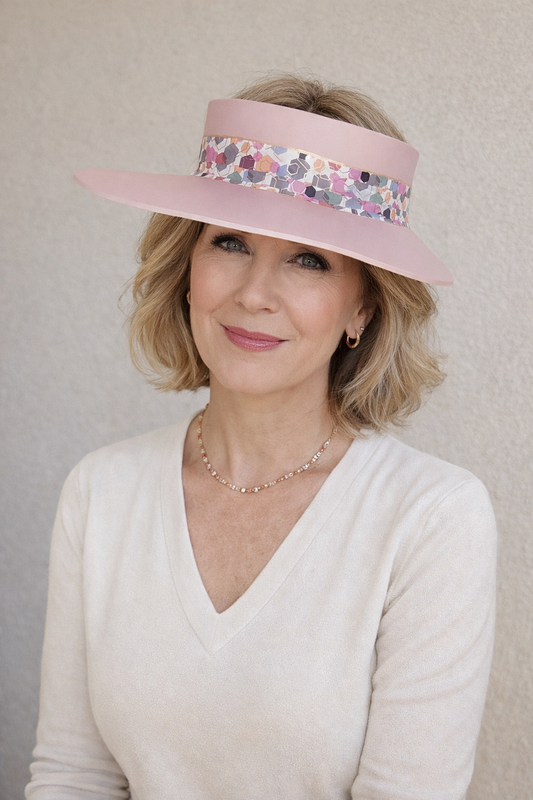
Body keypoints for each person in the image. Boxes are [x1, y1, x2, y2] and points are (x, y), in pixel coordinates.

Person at [26, 74, 497, 800]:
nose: (253, 293)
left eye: (308, 259)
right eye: (230, 243)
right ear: (187, 269)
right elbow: (74, 776)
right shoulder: (102, 491)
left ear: (361, 311)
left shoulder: (431, 517)